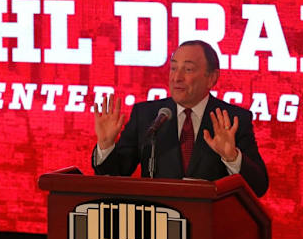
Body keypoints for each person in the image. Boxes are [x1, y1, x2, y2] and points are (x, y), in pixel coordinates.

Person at [92, 40, 269, 197]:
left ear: (212, 78)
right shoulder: (147, 116)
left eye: (188, 69)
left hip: (210, 227)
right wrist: (106, 146)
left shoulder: (232, 120)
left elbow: (259, 187)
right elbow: (116, 176)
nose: (177, 77)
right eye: (174, 68)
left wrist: (232, 157)